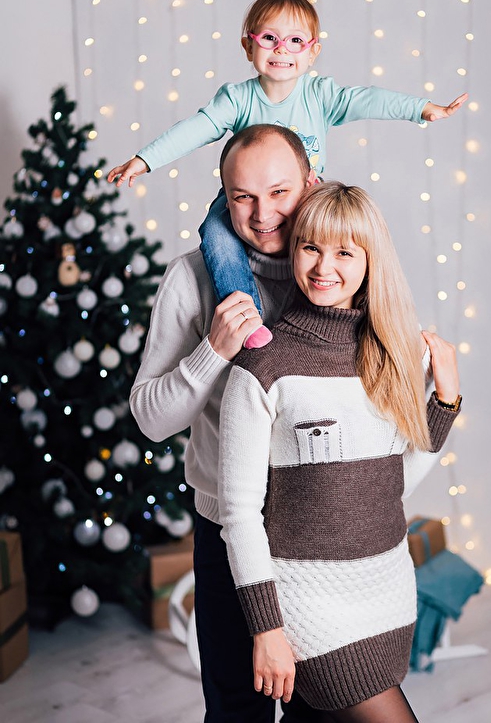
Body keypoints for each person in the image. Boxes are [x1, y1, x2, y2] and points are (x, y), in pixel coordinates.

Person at [218, 182, 462, 722]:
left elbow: (390, 486)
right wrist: (267, 629)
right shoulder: (264, 365)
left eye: (344, 252)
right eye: (310, 247)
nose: (323, 267)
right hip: (309, 602)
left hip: (387, 588)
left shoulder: (389, 356)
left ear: (371, 260)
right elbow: (239, 515)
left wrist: (444, 404)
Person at [108, 0, 467, 349]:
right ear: (248, 47)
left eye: (295, 41)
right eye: (269, 39)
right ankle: (247, 318)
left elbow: (369, 99)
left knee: (342, 233)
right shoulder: (237, 99)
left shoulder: (320, 95)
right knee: (215, 232)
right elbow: (195, 129)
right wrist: (145, 159)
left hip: (308, 193)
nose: (281, 50)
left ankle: (358, 318)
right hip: (247, 192)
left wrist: (421, 109)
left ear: (313, 53)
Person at [130, 124, 325, 722]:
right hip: (225, 532)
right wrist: (212, 350)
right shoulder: (190, 278)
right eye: (243, 197)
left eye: (279, 192)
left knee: (323, 709)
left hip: (320, 532)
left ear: (311, 183)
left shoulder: (339, 270)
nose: (263, 215)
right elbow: (151, 420)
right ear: (223, 197)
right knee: (237, 709)